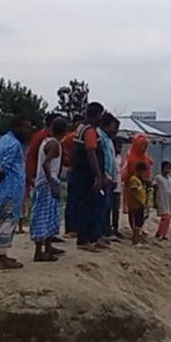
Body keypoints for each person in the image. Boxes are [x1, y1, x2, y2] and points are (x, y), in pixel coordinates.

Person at [0, 115, 34, 269]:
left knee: (2, 222)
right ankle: (1, 257)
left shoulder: (4, 140)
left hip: (8, 189)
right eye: (26, 128)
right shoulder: (13, 144)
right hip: (10, 189)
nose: (28, 131)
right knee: (7, 223)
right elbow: (3, 168)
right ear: (17, 127)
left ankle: (1, 255)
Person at [29, 117, 68, 262]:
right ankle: (39, 252)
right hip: (47, 183)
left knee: (49, 216)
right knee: (44, 217)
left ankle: (48, 247)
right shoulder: (55, 145)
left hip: (43, 182)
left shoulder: (46, 141)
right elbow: (46, 164)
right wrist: (52, 183)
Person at [71, 103, 107, 250]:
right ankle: (84, 240)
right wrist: (98, 175)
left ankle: (91, 238)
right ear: (97, 115)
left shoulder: (81, 128)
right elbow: (91, 152)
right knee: (87, 205)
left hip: (82, 172)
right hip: (86, 173)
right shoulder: (90, 131)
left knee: (87, 204)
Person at [96, 114, 119, 241]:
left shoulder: (108, 139)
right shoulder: (99, 136)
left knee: (106, 207)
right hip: (103, 177)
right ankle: (98, 234)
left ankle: (104, 232)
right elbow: (100, 157)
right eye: (113, 126)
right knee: (100, 207)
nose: (114, 129)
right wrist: (102, 174)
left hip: (109, 178)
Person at [121, 134, 153, 213]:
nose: (145, 147)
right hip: (133, 189)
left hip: (144, 188)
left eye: (146, 145)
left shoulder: (146, 157)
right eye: (144, 145)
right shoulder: (131, 158)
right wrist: (125, 204)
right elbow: (126, 181)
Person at [126, 161, 149, 245]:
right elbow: (134, 192)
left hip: (140, 204)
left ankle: (138, 238)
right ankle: (135, 240)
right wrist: (140, 202)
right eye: (143, 171)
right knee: (137, 222)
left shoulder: (140, 180)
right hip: (136, 205)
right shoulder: (134, 179)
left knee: (140, 221)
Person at [153, 160, 171, 240]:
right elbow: (155, 189)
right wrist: (155, 201)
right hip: (161, 199)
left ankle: (164, 233)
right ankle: (160, 233)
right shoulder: (158, 178)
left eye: (169, 168)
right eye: (167, 168)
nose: (168, 170)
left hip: (168, 200)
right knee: (165, 217)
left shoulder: (169, 178)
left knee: (169, 217)